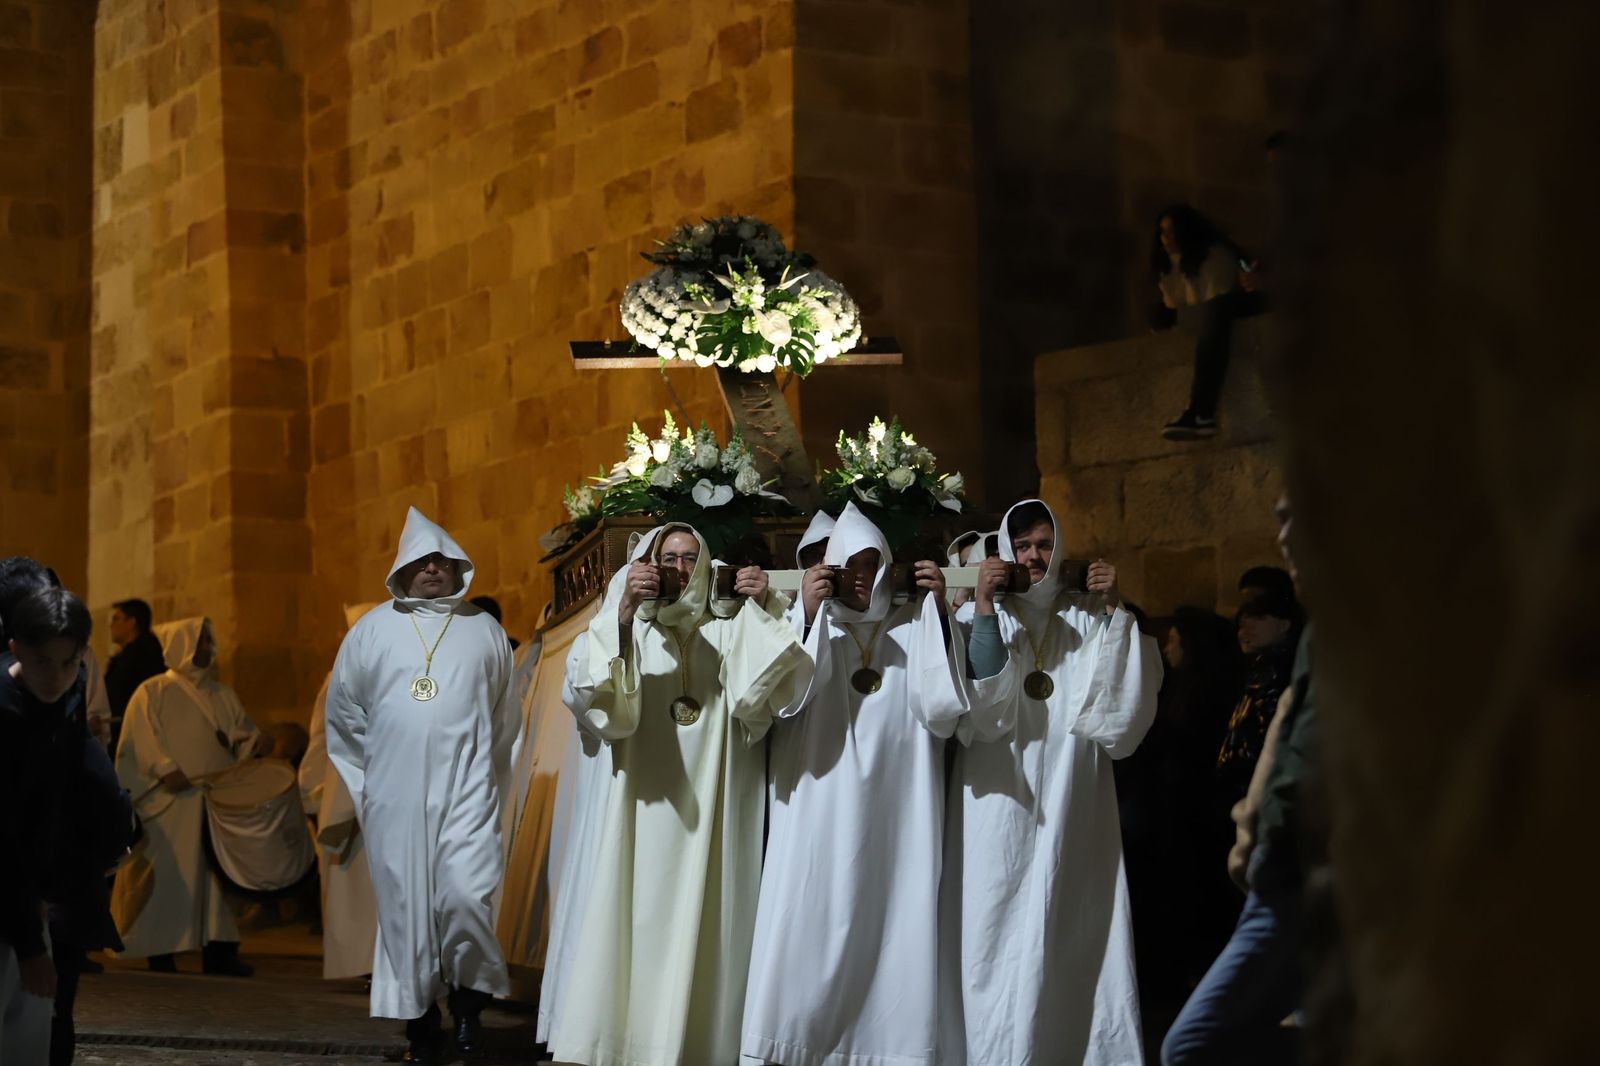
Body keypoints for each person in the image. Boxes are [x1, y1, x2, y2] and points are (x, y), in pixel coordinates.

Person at [551, 522, 810, 1066]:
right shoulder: (629, 624)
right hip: (649, 805)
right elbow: (593, 700)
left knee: (715, 925)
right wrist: (623, 612)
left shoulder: (732, 623)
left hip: (717, 803)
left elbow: (770, 694)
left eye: (690, 558)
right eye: (667, 558)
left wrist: (760, 606)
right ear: (648, 563)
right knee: (639, 920)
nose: (678, 569)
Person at [743, 504, 967, 1065]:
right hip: (818, 807)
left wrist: (939, 610)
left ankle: (889, 1048)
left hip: (898, 815)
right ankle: (797, 1045)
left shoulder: (915, 626)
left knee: (893, 927)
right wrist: (809, 615)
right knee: (809, 920)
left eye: (873, 563)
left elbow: (943, 711)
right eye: (851, 565)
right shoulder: (809, 626)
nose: (862, 575)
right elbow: (776, 701)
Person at [943, 499, 1160, 1066]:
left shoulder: (1088, 616)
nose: (1033, 557)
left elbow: (1122, 720)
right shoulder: (978, 616)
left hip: (1073, 797)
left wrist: (1116, 607)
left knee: (1074, 926)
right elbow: (982, 715)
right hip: (998, 796)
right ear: (1003, 550)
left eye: (1042, 545)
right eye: (1021, 546)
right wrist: (985, 606)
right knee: (993, 924)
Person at [325, 508, 518, 1064]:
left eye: (442, 559)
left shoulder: (484, 630)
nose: (432, 567)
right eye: (421, 560)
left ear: (460, 569)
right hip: (396, 798)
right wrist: (382, 775)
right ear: (401, 570)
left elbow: (503, 718)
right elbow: (345, 717)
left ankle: (469, 1010)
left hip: (467, 792)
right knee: (407, 908)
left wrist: (483, 774)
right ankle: (421, 1023)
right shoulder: (369, 632)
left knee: (465, 899)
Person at [1162, 492, 1321, 1066]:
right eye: (1278, 518)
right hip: (1274, 864)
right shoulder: (1307, 651)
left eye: (1296, 515)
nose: (1284, 534)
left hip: (1305, 872)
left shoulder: (1348, 640)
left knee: (1194, 1043)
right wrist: (1250, 836)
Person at [2, 583, 130, 1066]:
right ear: (16, 650)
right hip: (16, 894)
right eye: (41, 663)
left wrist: (109, 836)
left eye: (69, 663)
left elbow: (81, 773)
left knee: (48, 1022)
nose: (55, 678)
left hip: (54, 886)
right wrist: (31, 944)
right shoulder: (6, 713)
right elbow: (8, 836)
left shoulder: (67, 692)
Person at [111, 617, 270, 976]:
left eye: (209, 642)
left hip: (215, 800)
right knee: (172, 876)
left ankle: (220, 950)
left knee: (218, 879)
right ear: (181, 645)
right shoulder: (152, 691)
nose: (208, 649)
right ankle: (161, 951)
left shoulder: (222, 694)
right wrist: (166, 767)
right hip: (172, 802)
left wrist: (255, 741)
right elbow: (141, 738)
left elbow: (240, 732)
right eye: (200, 642)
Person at [299, 603, 380, 985]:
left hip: (391, 790)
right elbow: (325, 739)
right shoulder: (340, 679)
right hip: (355, 791)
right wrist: (319, 795)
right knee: (360, 888)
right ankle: (366, 963)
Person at [1150, 204, 1256, 440]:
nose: (1165, 238)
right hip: (1208, 314)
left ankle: (1201, 412)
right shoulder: (1169, 266)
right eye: (1162, 232)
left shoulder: (1215, 256)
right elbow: (1176, 305)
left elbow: (1213, 303)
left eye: (1171, 231)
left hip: (1227, 309)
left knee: (1214, 314)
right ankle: (1200, 413)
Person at [1216, 589, 1298, 806]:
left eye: (1259, 617)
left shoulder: (1279, 672)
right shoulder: (1254, 670)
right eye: (1242, 622)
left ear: (1285, 624)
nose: (1246, 628)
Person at [103, 599, 166, 745]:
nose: (111, 625)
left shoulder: (142, 656)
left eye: (116, 619)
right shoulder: (130, 655)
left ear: (131, 622)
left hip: (134, 732)